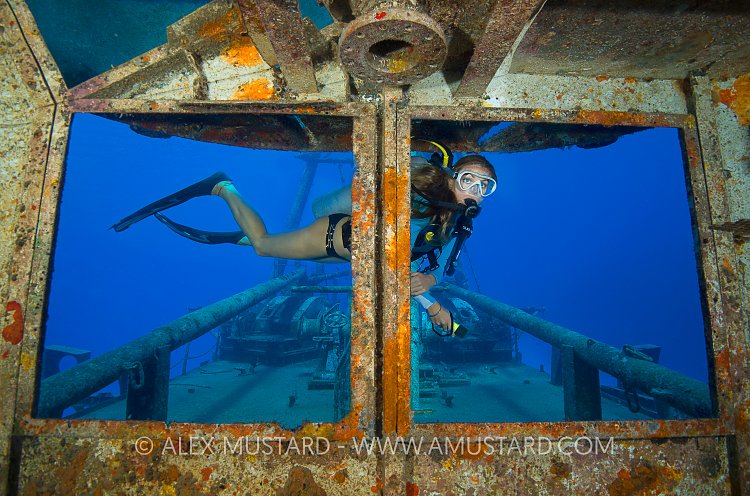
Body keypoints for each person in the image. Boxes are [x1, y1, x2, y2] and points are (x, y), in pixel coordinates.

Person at [112, 153, 497, 333]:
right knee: (265, 246)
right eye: (469, 180)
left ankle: (242, 238)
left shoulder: (458, 222)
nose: (475, 192)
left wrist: (430, 285)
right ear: (452, 176)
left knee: (278, 245)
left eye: (485, 187)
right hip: (338, 234)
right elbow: (392, 249)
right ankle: (221, 185)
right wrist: (432, 306)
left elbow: (431, 266)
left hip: (351, 251)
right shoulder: (426, 184)